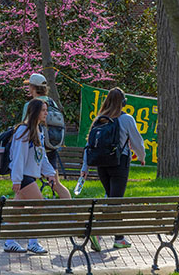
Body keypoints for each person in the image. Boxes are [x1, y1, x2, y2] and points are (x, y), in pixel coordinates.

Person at [81, 87, 146, 250]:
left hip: (102, 165)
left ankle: (119, 238)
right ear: (123, 103)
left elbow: (89, 144)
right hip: (119, 163)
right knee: (115, 202)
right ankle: (96, 231)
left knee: (112, 199)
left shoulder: (99, 119)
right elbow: (137, 141)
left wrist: (85, 166)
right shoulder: (127, 119)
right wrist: (142, 157)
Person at [4, 98, 56, 254]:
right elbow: (19, 156)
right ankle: (33, 242)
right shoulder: (24, 130)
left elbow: (41, 156)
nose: (46, 113)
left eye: (46, 110)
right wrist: (17, 179)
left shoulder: (38, 130)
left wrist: (50, 173)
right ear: (35, 112)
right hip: (24, 177)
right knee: (39, 204)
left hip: (30, 176)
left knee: (17, 209)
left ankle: (9, 240)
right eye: (43, 110)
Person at [21, 73, 70, 199]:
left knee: (25, 182)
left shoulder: (32, 105)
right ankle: (71, 209)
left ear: (33, 87)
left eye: (29, 86)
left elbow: (25, 129)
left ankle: (20, 213)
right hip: (51, 148)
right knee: (56, 183)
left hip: (35, 149)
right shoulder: (52, 103)